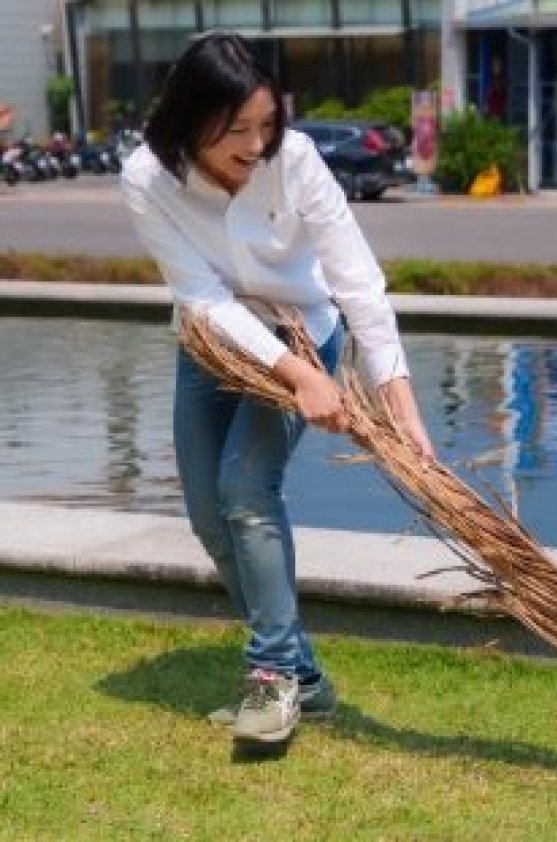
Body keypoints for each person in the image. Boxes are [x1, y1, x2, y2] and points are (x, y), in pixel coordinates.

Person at [121, 32, 434, 746]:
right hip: (212, 342)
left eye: (267, 123)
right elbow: (202, 296)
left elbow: (356, 280)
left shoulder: (295, 161)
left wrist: (399, 402)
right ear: (189, 119)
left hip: (303, 332)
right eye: (238, 129)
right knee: (208, 514)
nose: (257, 143)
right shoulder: (146, 177)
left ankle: (270, 678)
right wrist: (299, 381)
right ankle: (307, 678)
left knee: (246, 491)